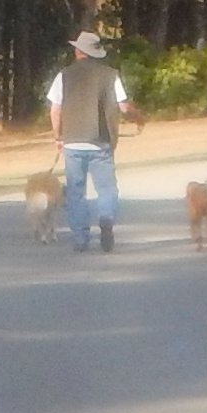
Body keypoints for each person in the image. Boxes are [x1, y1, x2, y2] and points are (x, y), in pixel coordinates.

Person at [45, 28, 139, 250]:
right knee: (106, 188)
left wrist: (57, 136)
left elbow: (55, 110)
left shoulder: (64, 75)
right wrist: (139, 117)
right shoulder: (110, 75)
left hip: (72, 141)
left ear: (78, 52)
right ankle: (106, 217)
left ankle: (80, 238)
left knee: (76, 191)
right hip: (101, 141)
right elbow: (124, 107)